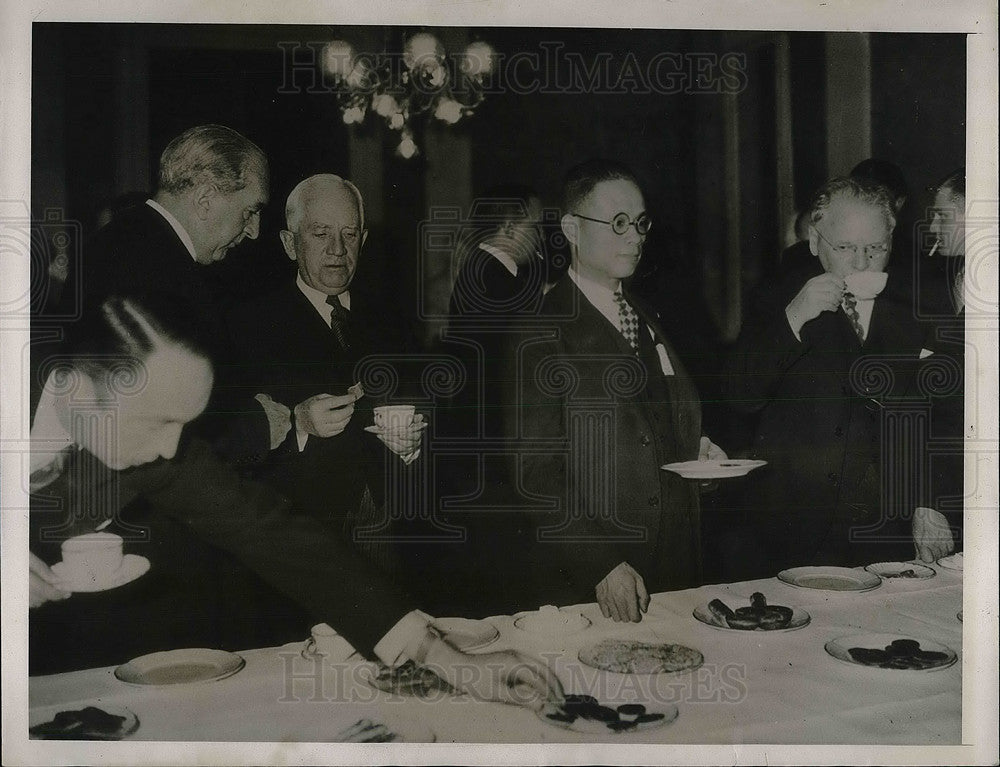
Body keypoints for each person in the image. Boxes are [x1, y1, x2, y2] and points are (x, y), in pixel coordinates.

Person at [28, 294, 562, 708]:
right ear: (75, 390)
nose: (172, 449)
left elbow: (277, 536)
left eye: (184, 424)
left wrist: (450, 659)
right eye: (159, 423)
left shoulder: (146, 438)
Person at [502, 159, 726, 623]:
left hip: (675, 569)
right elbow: (536, 472)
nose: (635, 236)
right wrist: (600, 562)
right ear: (571, 229)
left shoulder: (647, 315)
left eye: (641, 223)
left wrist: (698, 454)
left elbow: (653, 424)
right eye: (618, 223)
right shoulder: (541, 330)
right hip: (595, 580)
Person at [727, 176, 945, 571]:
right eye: (845, 248)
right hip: (792, 528)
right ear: (815, 241)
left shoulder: (915, 310)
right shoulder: (778, 299)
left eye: (875, 248)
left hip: (883, 531)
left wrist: (927, 500)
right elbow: (740, 397)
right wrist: (794, 317)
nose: (861, 263)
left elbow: (930, 417)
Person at [221, 174, 424, 568]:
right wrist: (297, 424)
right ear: (289, 243)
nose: (337, 249)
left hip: (387, 524)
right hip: (294, 531)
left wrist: (412, 444)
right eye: (320, 234)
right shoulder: (248, 324)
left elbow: (424, 406)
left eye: (349, 234)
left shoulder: (390, 319)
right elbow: (228, 443)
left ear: (363, 241)